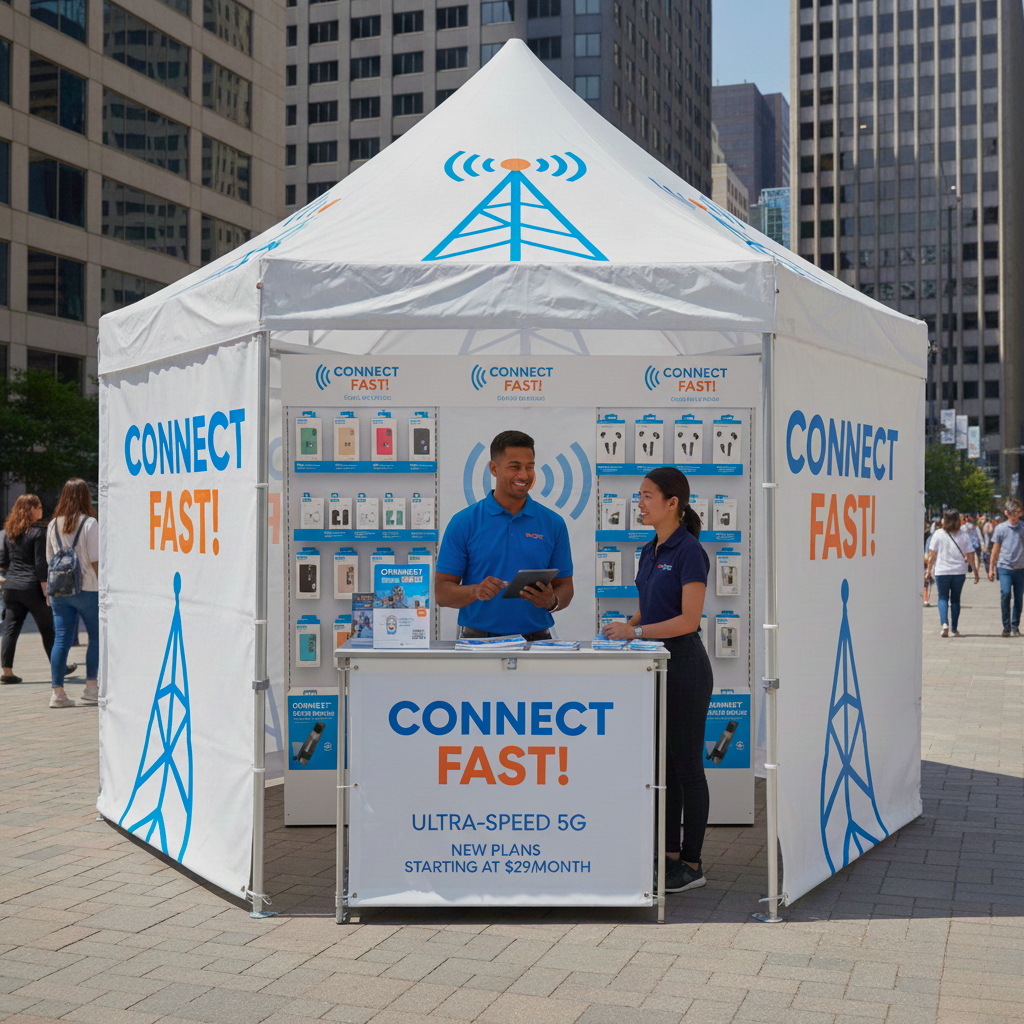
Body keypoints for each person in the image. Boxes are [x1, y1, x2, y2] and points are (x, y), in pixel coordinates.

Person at [601, 467, 712, 893]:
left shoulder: (689, 551)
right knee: (664, 767)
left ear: (673, 503)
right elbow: (651, 608)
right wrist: (622, 626)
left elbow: (687, 620)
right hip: (657, 666)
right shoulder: (650, 549)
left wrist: (637, 633)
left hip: (685, 666)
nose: (640, 503)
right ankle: (667, 857)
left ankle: (692, 864)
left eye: (648, 496)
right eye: (639, 495)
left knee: (688, 769)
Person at [435, 430, 573, 641]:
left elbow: (566, 588)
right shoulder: (463, 522)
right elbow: (442, 593)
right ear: (494, 469)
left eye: (530, 467)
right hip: (478, 642)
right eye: (515, 467)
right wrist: (475, 591)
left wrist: (551, 601)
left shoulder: (554, 523)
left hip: (538, 642)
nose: (524, 475)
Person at [0, 495, 77, 684]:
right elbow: (40, 565)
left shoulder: (8, 533)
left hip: (11, 587)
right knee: (48, 629)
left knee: (10, 629)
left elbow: (3, 562)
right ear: (30, 509)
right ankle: (59, 667)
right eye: (39, 507)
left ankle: (7, 672)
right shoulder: (38, 533)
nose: (42, 510)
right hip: (32, 587)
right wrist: (46, 590)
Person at [45, 479, 99, 708]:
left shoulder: (53, 524)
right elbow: (96, 559)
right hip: (88, 588)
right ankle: (90, 688)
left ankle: (58, 694)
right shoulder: (90, 523)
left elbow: (50, 559)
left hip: (60, 589)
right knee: (95, 637)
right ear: (85, 497)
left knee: (61, 639)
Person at [926, 509, 978, 638]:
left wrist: (928, 570)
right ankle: (954, 628)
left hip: (942, 571)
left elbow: (932, 555)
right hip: (959, 572)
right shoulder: (964, 535)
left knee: (943, 597)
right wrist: (975, 572)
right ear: (958, 521)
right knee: (955, 599)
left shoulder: (938, 534)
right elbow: (970, 556)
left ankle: (944, 624)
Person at [988, 500, 1024, 637]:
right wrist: (991, 568)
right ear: (1007, 514)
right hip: (1004, 567)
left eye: (1018, 513)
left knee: (1019, 598)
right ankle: (1006, 626)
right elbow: (995, 551)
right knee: (1005, 593)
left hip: (1020, 568)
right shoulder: (1001, 529)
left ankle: (1015, 626)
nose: (1016, 516)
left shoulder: (1022, 528)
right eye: (1013, 514)